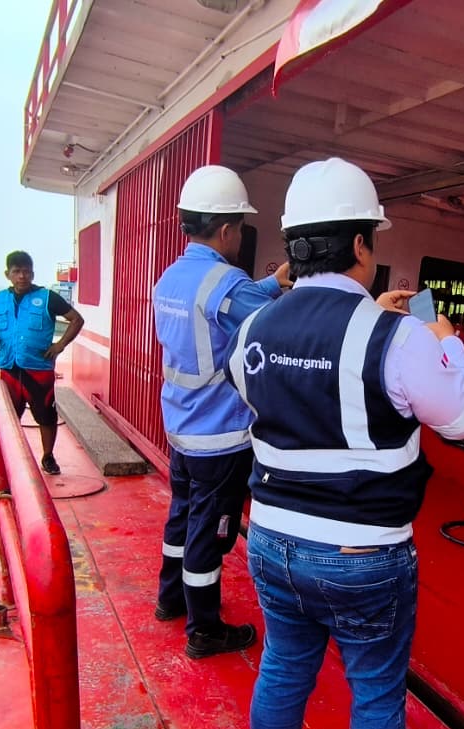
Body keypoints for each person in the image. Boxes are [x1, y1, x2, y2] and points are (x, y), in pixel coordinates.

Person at [224, 158, 464, 729]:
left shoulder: (252, 330)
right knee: (374, 689)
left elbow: (261, 396)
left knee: (282, 670)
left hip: (272, 538)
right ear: (361, 247)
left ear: (296, 246)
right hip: (363, 555)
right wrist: (443, 342)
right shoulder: (396, 337)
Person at [152, 164, 291, 660]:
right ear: (229, 229)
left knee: (181, 518)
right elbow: (261, 318)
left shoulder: (171, 277)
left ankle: (169, 602)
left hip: (181, 429)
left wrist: (270, 283)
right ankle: (205, 629)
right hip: (220, 437)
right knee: (210, 535)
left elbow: (228, 304)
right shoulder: (225, 282)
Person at [0, 250, 84, 474]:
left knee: (46, 416)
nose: (22, 277)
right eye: (17, 272)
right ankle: (8, 461)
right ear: (8, 274)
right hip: (9, 369)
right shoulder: (0, 299)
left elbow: (76, 319)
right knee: (8, 417)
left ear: (33, 273)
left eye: (26, 272)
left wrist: (60, 345)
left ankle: (48, 457)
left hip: (38, 370)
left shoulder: (47, 298)